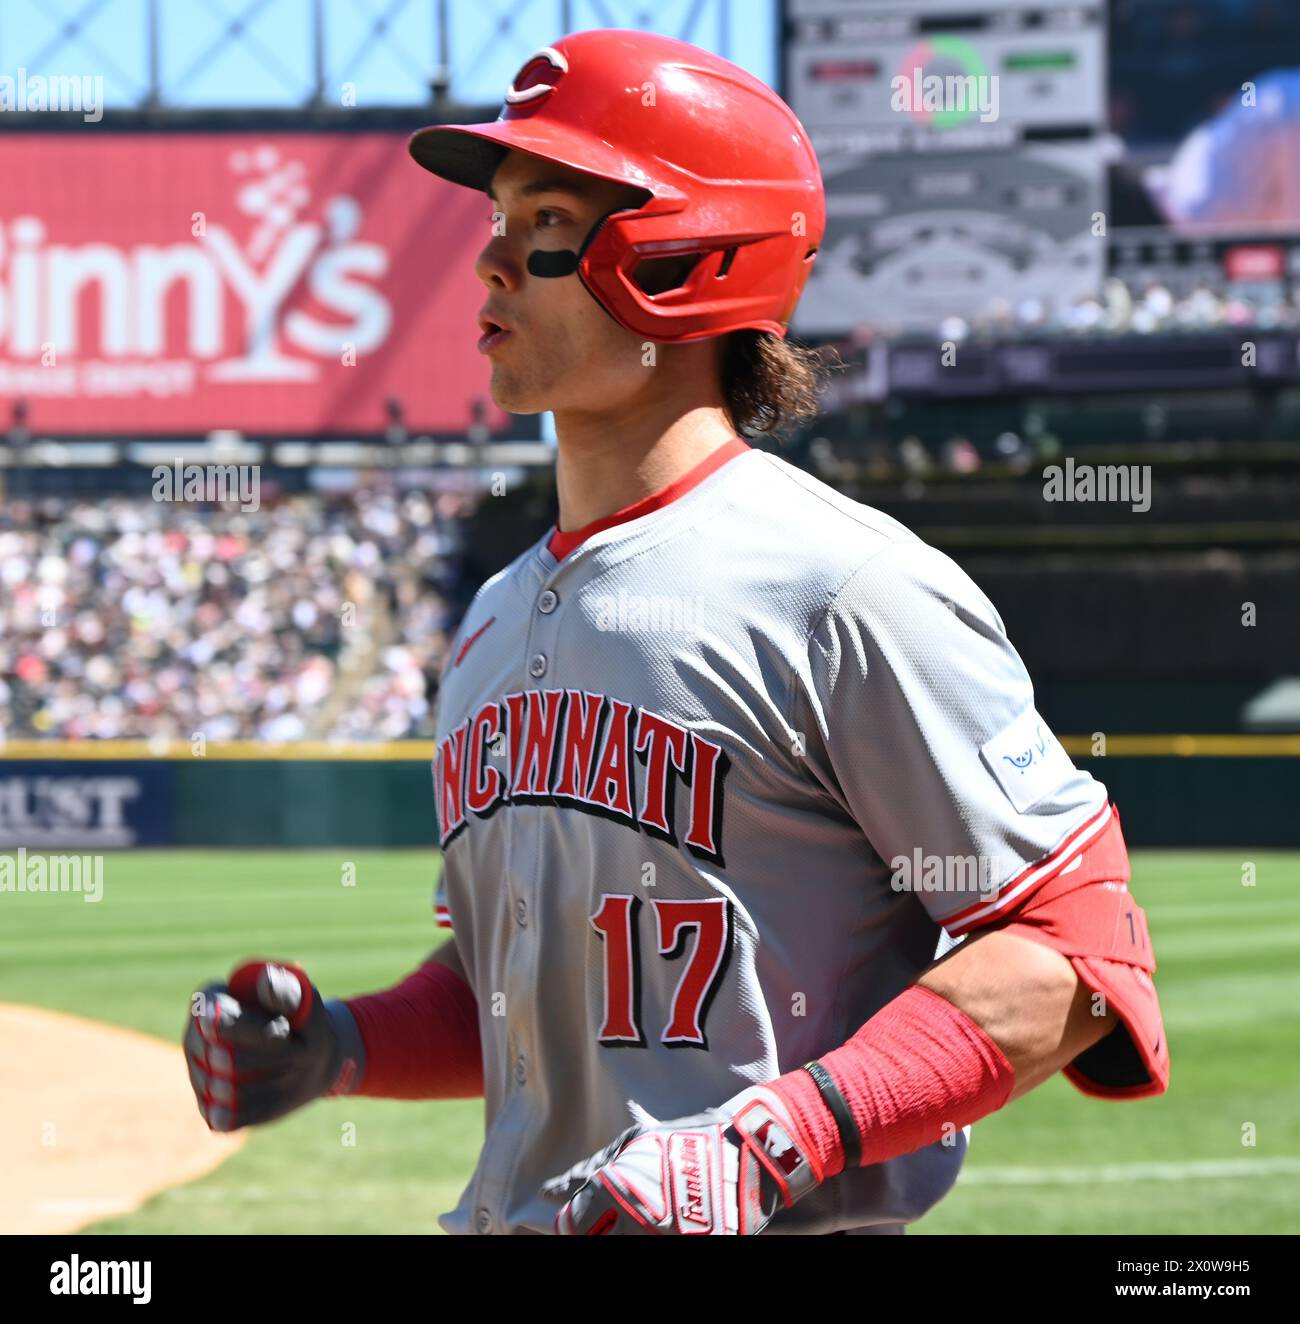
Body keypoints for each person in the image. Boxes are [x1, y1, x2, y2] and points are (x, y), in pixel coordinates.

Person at [184, 28, 1169, 1236]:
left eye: (542, 220)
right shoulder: (490, 619)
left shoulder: (844, 583)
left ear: (688, 254)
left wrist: (773, 1142)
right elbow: (533, 998)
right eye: (497, 219)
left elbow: (1074, 956)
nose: (490, 262)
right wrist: (338, 1045)